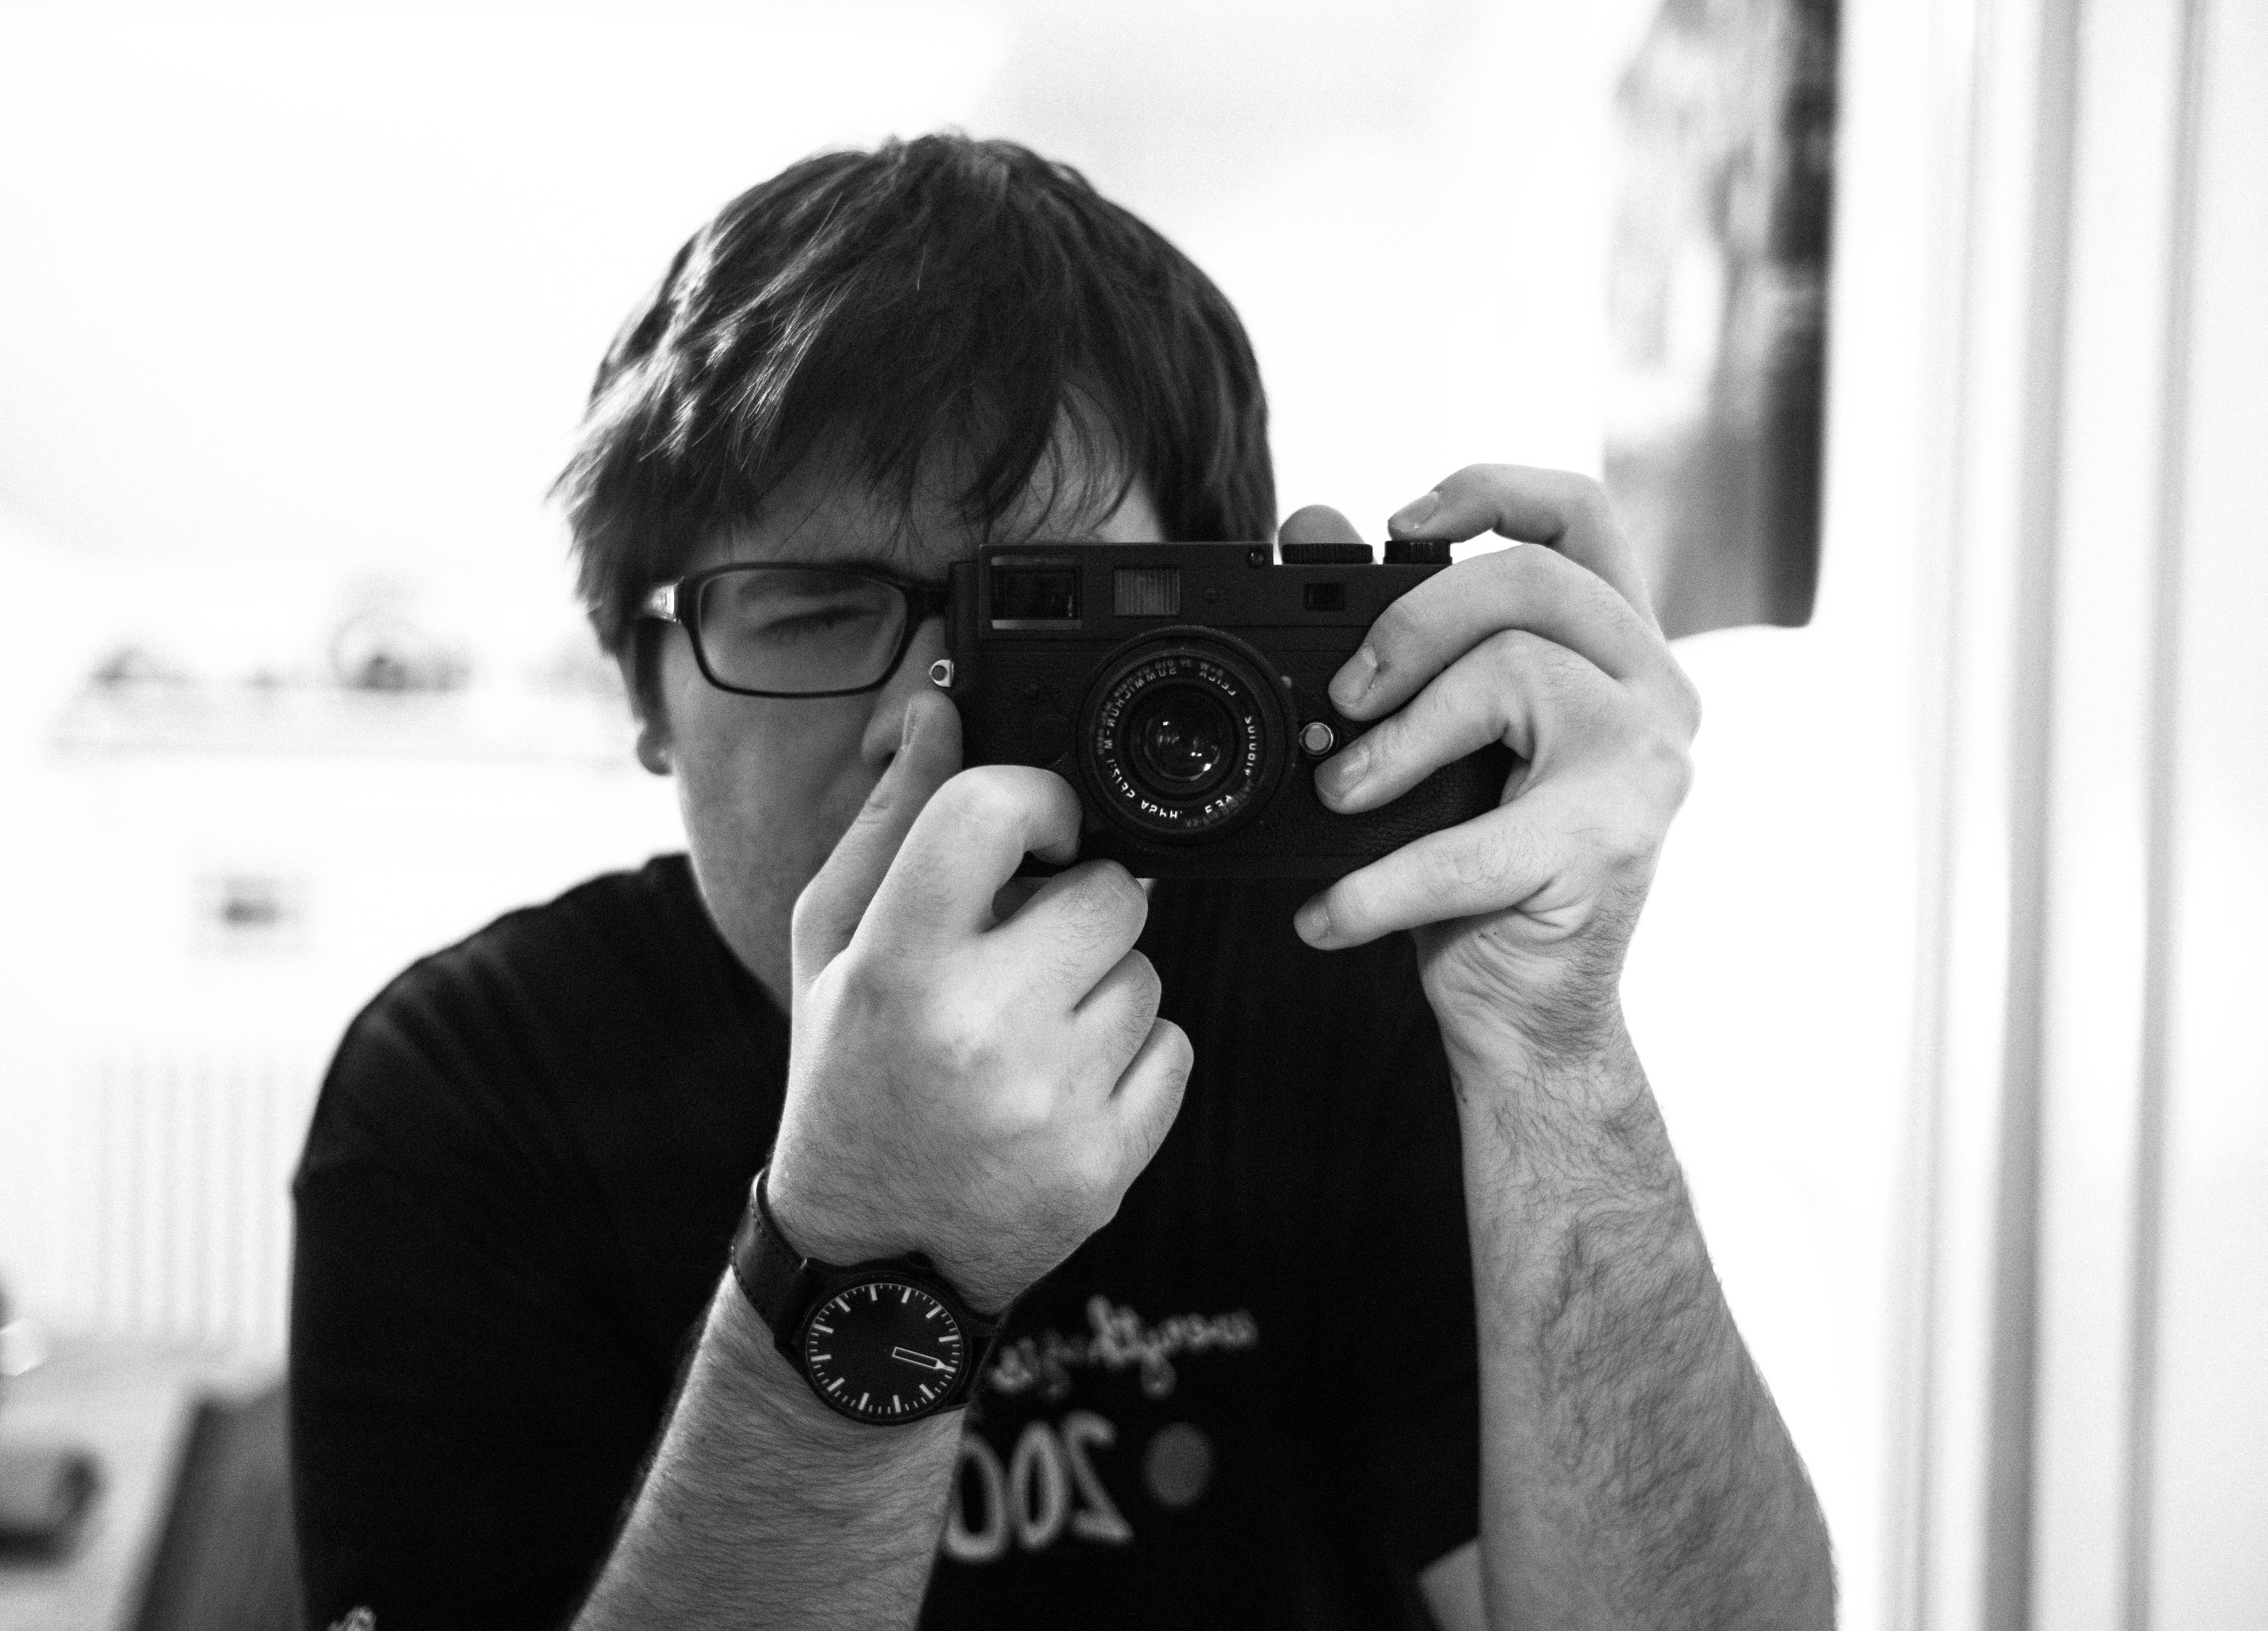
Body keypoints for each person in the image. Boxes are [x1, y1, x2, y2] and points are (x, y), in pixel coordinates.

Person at [288, 134, 1831, 1631]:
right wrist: (865, 1254)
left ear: (1216, 621)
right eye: (811, 611)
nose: (918, 721)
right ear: (645, 689)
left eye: (1036, 618)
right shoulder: (466, 1086)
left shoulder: (1354, 983)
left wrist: (1554, 1050)